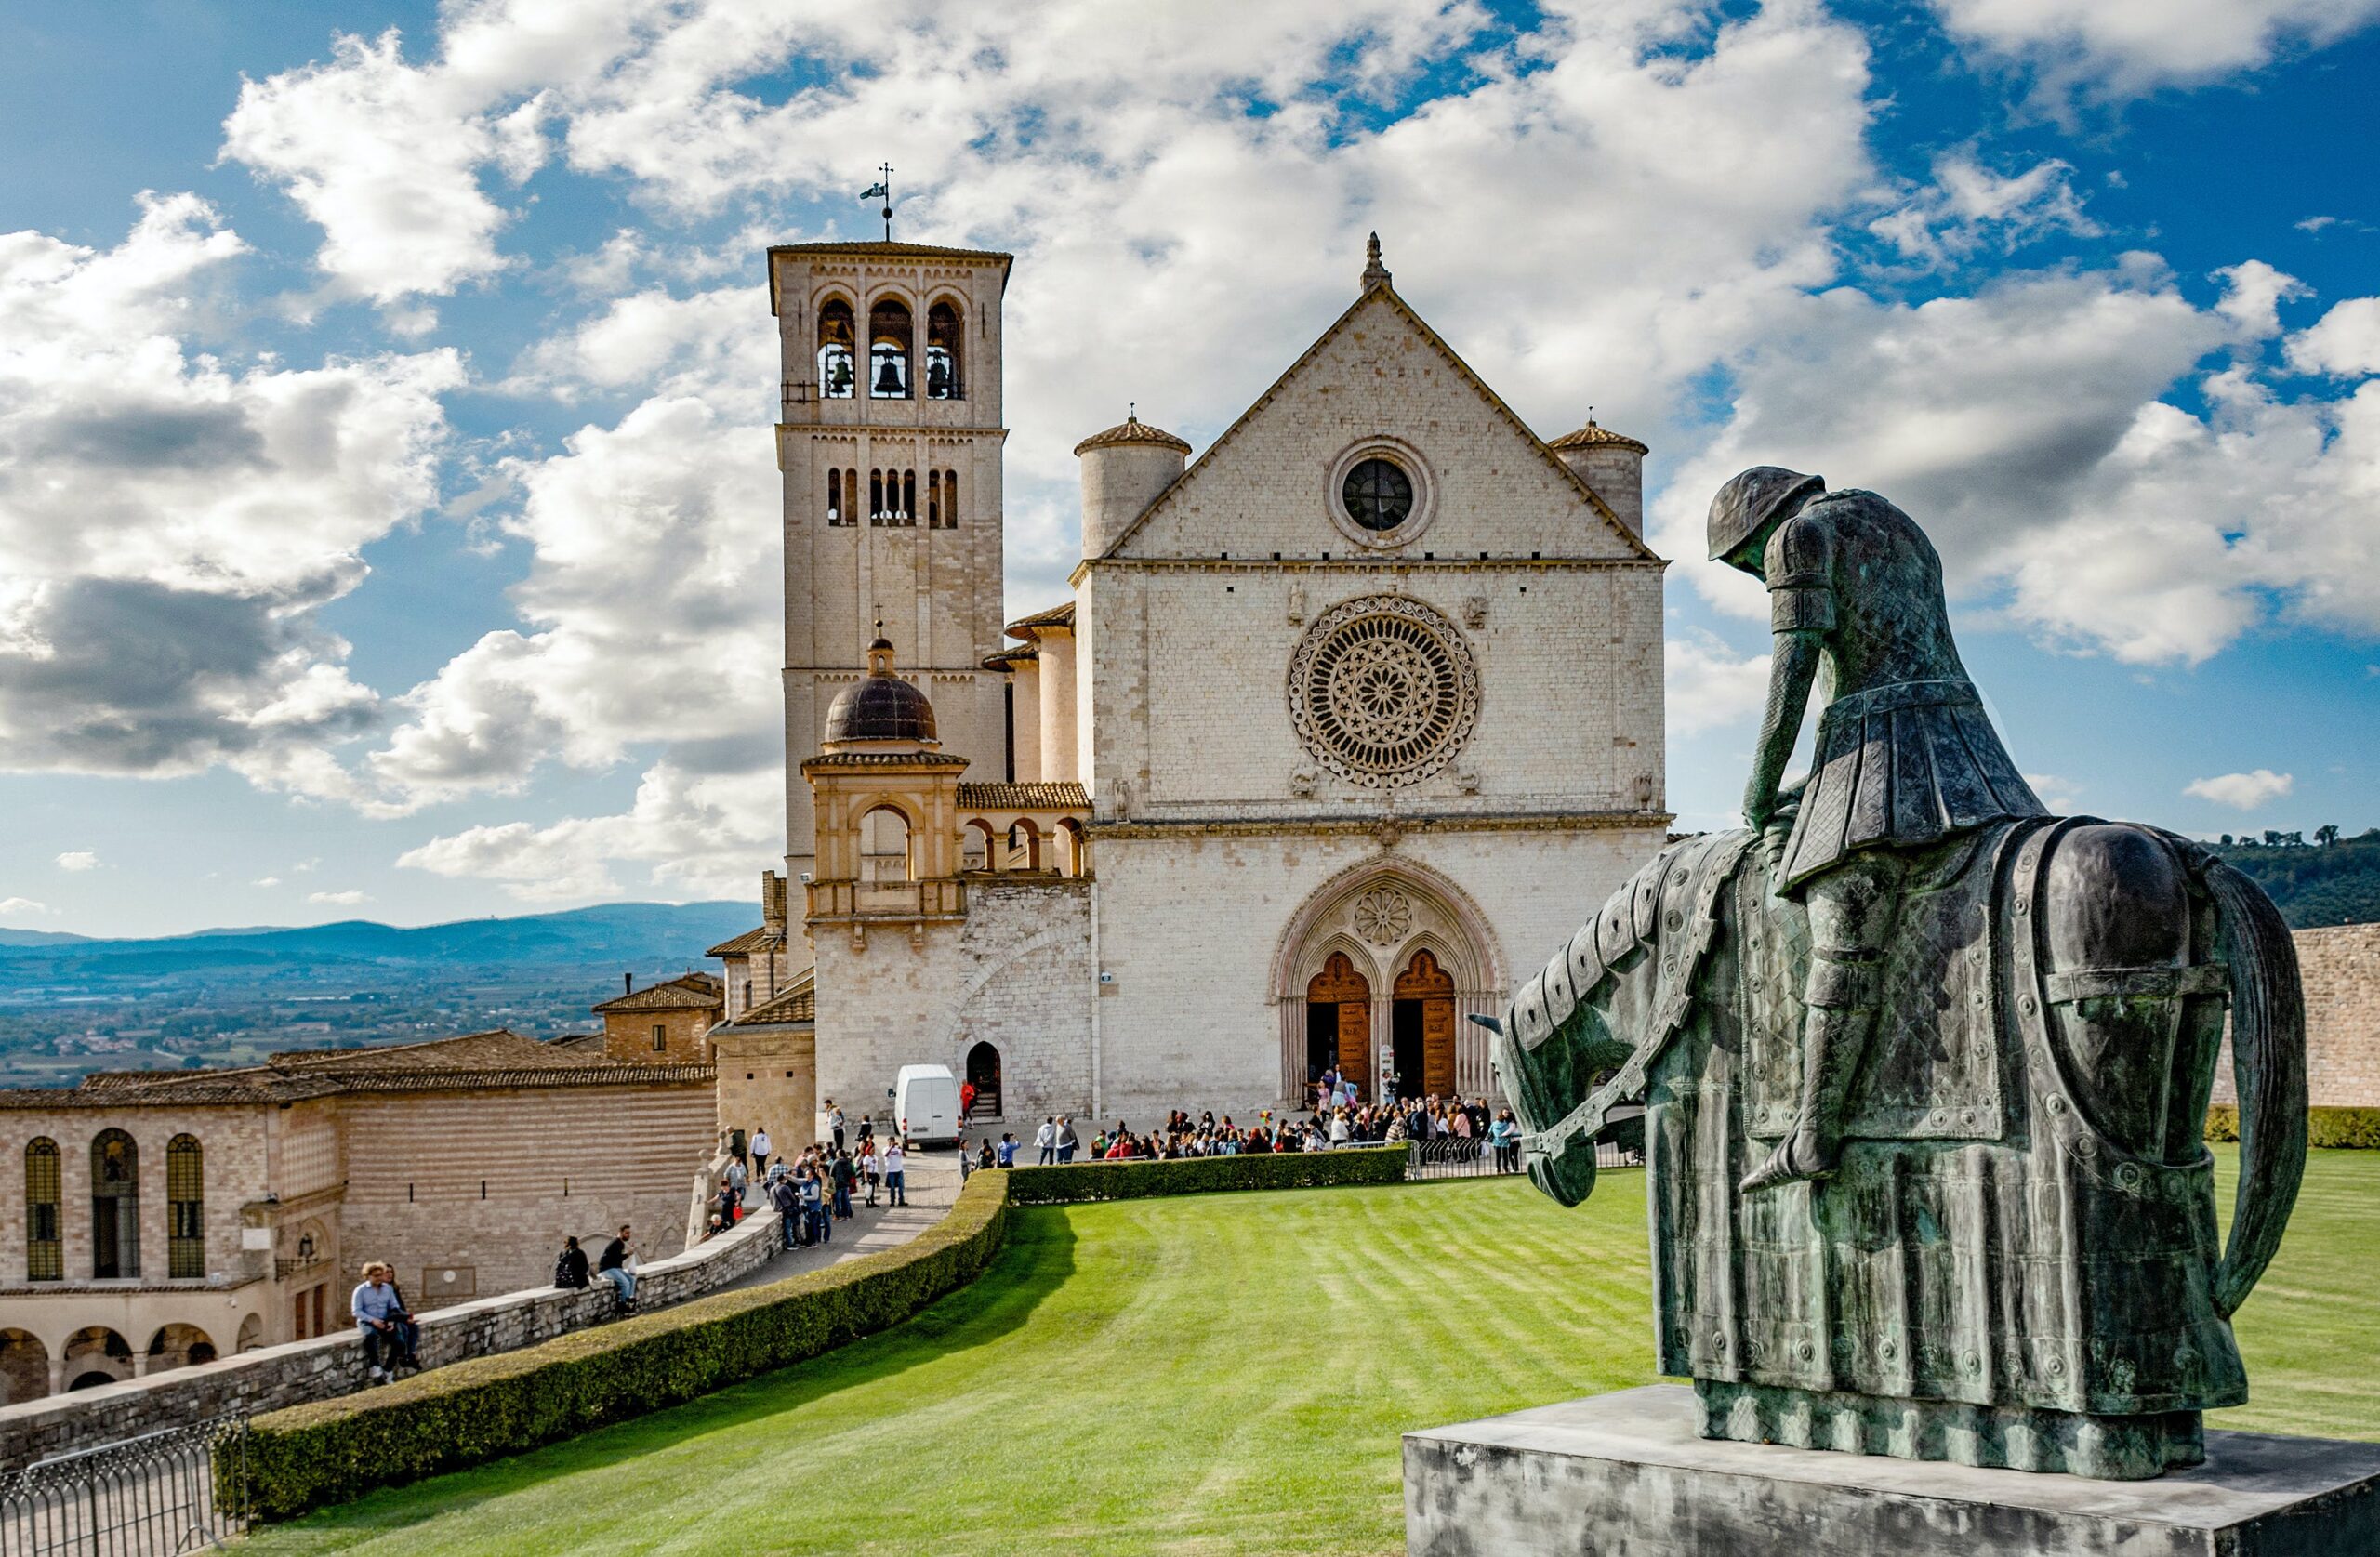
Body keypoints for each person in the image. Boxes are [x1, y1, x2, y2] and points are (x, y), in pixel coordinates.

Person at [1707, 467, 2046, 1194]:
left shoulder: (1798, 538)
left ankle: (1812, 1131)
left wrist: (1760, 788)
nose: (1751, 575)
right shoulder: (1896, 523)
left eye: (1742, 563)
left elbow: (1791, 680)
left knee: (1843, 917)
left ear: (1756, 531)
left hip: (1886, 745)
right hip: (1960, 741)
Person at [352, 1261, 411, 1382]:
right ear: (368, 1276)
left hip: (385, 1321)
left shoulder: (388, 1289)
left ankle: (388, 1370)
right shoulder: (360, 1290)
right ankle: (375, 1365)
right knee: (371, 1336)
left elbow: (394, 1306)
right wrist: (373, 1320)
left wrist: (392, 1321)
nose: (379, 1278)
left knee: (399, 1343)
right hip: (367, 1320)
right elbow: (356, 1311)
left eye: (380, 1275)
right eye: (376, 1276)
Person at [597, 1224, 637, 1312]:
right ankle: (623, 1305)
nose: (628, 1235)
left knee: (632, 1280)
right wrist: (628, 1254)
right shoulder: (616, 1242)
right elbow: (617, 1258)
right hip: (606, 1269)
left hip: (614, 1268)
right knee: (625, 1283)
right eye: (626, 1233)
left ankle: (630, 1302)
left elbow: (617, 1261)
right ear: (621, 1233)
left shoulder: (620, 1243)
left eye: (629, 1233)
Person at [770, 1169, 800, 1250]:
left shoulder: (773, 1188)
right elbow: (792, 1198)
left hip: (778, 1209)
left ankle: (791, 1243)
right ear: (782, 1179)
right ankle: (790, 1244)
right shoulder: (785, 1187)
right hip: (786, 1209)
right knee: (789, 1227)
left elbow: (771, 1200)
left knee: (787, 1227)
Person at [831, 1149, 856, 1220]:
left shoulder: (836, 1162)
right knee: (846, 1199)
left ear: (839, 1154)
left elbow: (831, 1173)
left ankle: (837, 1215)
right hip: (846, 1183)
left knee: (837, 1200)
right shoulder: (848, 1162)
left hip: (838, 1184)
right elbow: (852, 1172)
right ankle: (846, 1215)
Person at [883, 1138, 906, 1207]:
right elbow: (886, 1155)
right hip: (891, 1171)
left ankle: (901, 1201)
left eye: (893, 1141)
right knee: (892, 1187)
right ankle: (892, 1201)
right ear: (888, 1142)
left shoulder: (897, 1149)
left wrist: (901, 1149)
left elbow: (904, 1155)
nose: (892, 1143)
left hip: (899, 1170)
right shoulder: (886, 1149)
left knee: (901, 1187)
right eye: (890, 1141)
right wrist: (891, 1147)